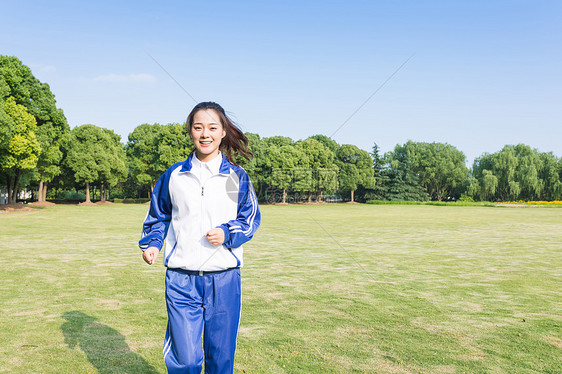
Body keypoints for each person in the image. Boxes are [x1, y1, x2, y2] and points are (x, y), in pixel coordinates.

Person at [139, 101, 261, 374]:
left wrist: (227, 232)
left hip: (225, 279)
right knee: (187, 359)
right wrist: (152, 244)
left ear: (222, 132)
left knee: (220, 359)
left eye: (212, 127)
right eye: (198, 127)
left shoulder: (236, 177)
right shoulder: (174, 176)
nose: (205, 133)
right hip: (182, 279)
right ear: (190, 131)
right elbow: (159, 216)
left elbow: (250, 220)